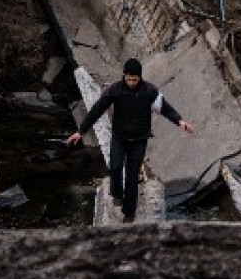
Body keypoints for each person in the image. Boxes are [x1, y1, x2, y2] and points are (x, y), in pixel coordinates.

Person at [66, 58, 194, 221]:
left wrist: (179, 121)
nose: (132, 82)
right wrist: (81, 131)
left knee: (132, 176)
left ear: (140, 77)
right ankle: (117, 195)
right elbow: (97, 110)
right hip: (119, 137)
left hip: (139, 140)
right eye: (129, 79)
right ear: (124, 76)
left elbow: (165, 108)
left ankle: (129, 213)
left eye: (135, 79)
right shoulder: (115, 90)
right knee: (115, 167)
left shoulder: (149, 90)